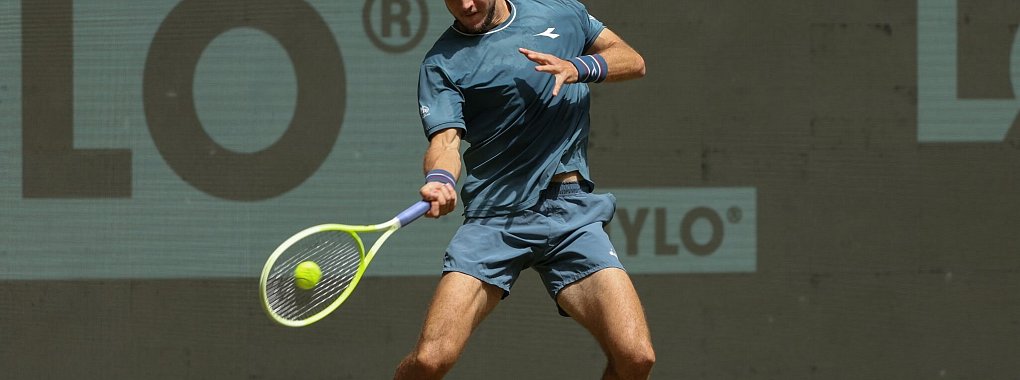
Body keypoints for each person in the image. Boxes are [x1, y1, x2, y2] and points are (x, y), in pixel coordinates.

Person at [395, 0, 653, 378]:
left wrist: (578, 66)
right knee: (431, 360)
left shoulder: (561, 12)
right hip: (494, 218)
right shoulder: (441, 64)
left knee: (636, 356)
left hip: (572, 214)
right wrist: (440, 179)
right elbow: (445, 143)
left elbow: (631, 59)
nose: (465, 4)